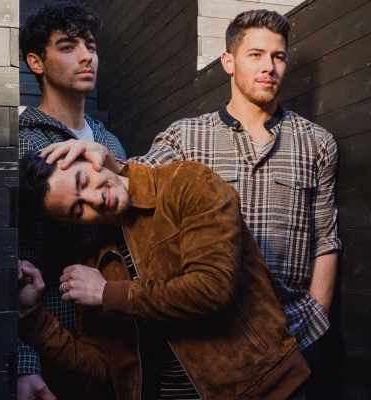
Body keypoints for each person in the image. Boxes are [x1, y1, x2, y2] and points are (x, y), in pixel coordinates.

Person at [41, 9, 341, 396]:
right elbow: (139, 186)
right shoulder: (186, 137)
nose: (268, 66)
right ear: (228, 62)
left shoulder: (317, 142)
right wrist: (104, 160)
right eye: (255, 54)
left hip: (295, 337)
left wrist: (316, 317)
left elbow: (325, 238)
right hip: (220, 335)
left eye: (278, 56)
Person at [18, 151, 310, 400]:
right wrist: (33, 318)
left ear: (89, 158)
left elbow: (211, 290)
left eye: (83, 181)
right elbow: (99, 373)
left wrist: (107, 292)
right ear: (70, 223)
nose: (95, 199)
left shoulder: (187, 181)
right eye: (77, 209)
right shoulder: (93, 263)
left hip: (263, 388)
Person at [18, 2, 126, 399]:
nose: (86, 56)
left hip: (119, 333)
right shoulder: (27, 143)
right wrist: (25, 364)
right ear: (36, 62)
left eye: (90, 46)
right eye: (68, 46)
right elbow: (20, 265)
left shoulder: (109, 141)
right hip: (59, 344)